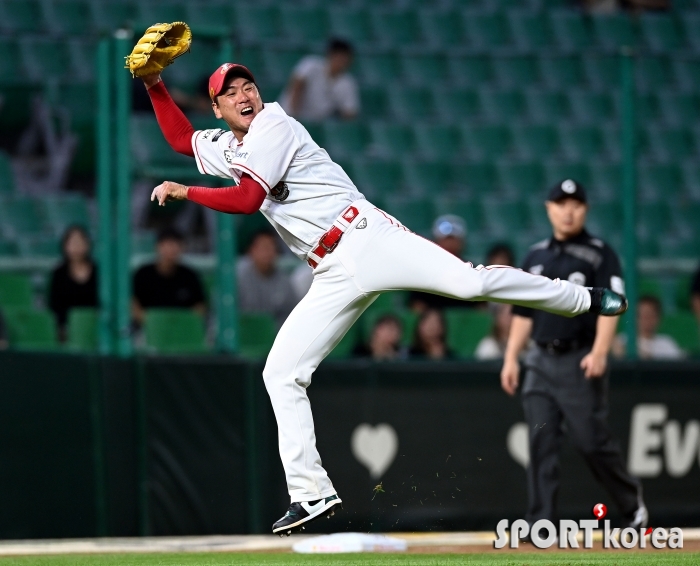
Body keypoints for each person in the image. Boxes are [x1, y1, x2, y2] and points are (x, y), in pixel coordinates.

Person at [138, 58, 627, 536]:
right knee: (280, 373)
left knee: (470, 284)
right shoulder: (228, 146)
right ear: (217, 107)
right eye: (230, 92)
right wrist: (155, 84)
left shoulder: (274, 124)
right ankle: (311, 493)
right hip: (329, 270)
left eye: (248, 85)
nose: (244, 95)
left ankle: (581, 299)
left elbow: (246, 200)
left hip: (366, 237)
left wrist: (187, 192)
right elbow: (182, 139)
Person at [500, 179, 647, 533]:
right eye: (560, 203)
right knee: (541, 442)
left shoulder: (600, 252)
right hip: (538, 361)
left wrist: (600, 351)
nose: (568, 211)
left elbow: (613, 306)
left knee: (591, 442)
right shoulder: (535, 257)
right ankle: (541, 524)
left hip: (578, 359)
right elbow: (522, 313)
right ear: (549, 209)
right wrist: (511, 357)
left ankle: (631, 506)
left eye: (576, 204)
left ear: (586, 209)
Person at [132, 227, 206, 326]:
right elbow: (133, 305)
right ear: (157, 246)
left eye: (176, 245)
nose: (171, 249)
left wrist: (183, 323)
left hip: (181, 329)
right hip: (149, 328)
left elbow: (200, 307)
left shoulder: (190, 275)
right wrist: (153, 322)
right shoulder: (143, 274)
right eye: (167, 245)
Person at [408, 215, 480, 313]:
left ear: (462, 243)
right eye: (446, 239)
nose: (449, 243)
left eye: (453, 239)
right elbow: (417, 306)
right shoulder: (423, 272)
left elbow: (481, 308)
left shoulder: (473, 271)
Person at [278, 38, 359, 121]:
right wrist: (293, 116)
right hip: (288, 116)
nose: (342, 62)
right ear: (331, 55)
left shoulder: (348, 82)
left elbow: (350, 112)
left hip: (317, 125)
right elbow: (297, 86)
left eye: (346, 58)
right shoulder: (311, 65)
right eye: (340, 57)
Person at [237, 229, 298, 328]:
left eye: (271, 248)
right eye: (263, 248)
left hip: (273, 337)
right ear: (252, 250)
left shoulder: (284, 280)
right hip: (242, 333)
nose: (267, 253)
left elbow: (291, 317)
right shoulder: (237, 276)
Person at [48, 226, 98, 341]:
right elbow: (55, 305)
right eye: (72, 243)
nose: (76, 247)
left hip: (94, 327)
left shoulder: (98, 272)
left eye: (80, 242)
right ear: (65, 246)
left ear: (87, 245)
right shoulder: (59, 274)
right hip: (66, 329)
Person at [613, 295, 684, 360]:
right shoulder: (623, 340)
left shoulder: (667, 343)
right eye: (641, 315)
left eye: (650, 314)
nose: (646, 319)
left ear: (658, 317)